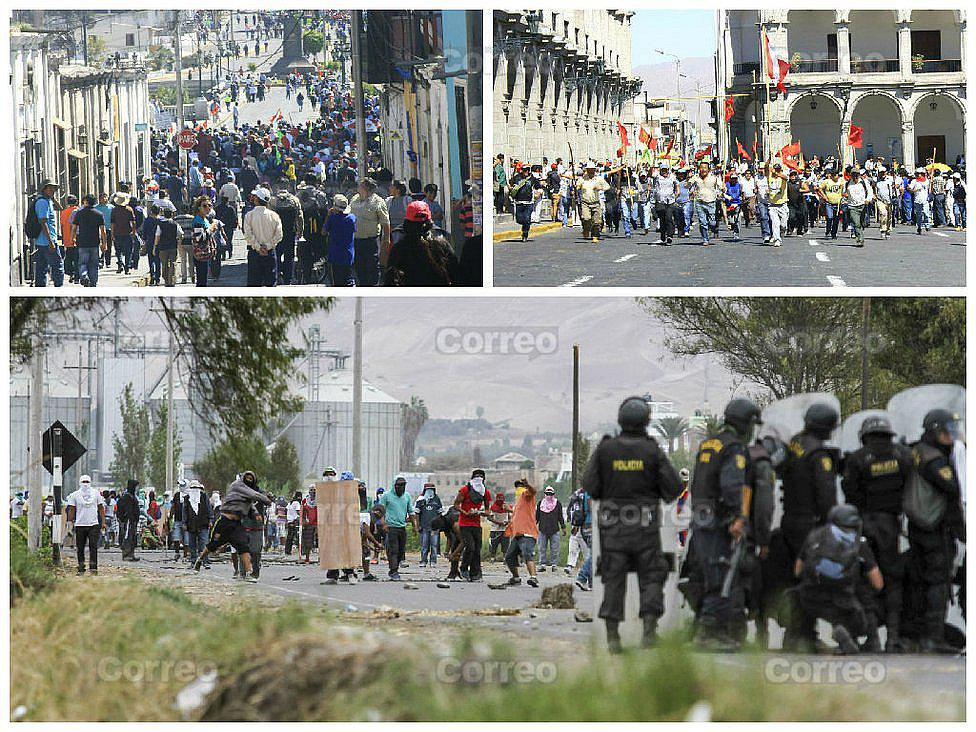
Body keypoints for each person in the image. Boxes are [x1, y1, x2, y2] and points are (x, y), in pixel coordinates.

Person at [583, 396, 683, 652]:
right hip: (645, 528)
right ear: (646, 421)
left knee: (612, 578)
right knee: (652, 576)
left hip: (612, 528)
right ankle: (649, 633)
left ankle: (613, 638)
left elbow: (590, 487)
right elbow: (673, 489)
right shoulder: (652, 451)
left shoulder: (606, 450)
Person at [688, 397, 763, 651]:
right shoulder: (734, 448)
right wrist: (737, 517)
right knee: (721, 575)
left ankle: (711, 631)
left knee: (710, 573)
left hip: (701, 517)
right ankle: (709, 634)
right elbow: (732, 485)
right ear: (745, 424)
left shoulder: (710, 443)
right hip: (719, 521)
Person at [778, 402, 840, 650]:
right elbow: (826, 496)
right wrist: (832, 524)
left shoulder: (795, 444)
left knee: (794, 577)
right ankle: (803, 636)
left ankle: (794, 634)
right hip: (810, 525)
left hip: (790, 520)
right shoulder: (819, 456)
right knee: (810, 579)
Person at [907, 409, 966, 653]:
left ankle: (921, 634)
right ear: (935, 431)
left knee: (923, 580)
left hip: (917, 526)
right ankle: (933, 637)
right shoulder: (937, 460)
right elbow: (953, 490)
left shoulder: (917, 450)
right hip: (936, 529)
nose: (952, 437)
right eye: (947, 432)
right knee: (938, 581)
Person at [790, 504, 884, 654]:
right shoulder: (859, 543)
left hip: (811, 600)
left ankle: (802, 638)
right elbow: (878, 583)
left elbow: (797, 570)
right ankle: (862, 638)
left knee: (796, 593)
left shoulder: (814, 536)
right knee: (865, 593)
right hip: (844, 603)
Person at [193, 471, 271, 581]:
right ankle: (199, 560)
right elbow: (254, 495)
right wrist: (266, 499)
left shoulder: (248, 495)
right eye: (247, 478)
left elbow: (250, 505)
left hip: (237, 524)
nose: (249, 480)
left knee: (244, 547)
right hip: (225, 521)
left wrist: (256, 514)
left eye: (251, 479)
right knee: (213, 545)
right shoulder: (237, 485)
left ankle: (249, 573)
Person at [383, 201, 459, 287]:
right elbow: (456, 275)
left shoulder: (399, 248)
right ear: (430, 222)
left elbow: (390, 280)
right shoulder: (442, 244)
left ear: (407, 223)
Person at [349, 178, 391, 287]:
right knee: (359, 266)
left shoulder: (377, 202)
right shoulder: (354, 199)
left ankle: (373, 288)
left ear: (366, 188)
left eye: (361, 186)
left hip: (370, 240)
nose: (358, 187)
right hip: (356, 239)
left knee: (371, 266)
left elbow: (385, 222)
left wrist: (386, 240)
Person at [64, 475, 106, 576]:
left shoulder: (96, 493)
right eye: (84, 481)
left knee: (93, 546)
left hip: (93, 524)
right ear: (80, 482)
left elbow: (101, 508)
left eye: (87, 481)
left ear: (90, 482)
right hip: (80, 524)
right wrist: (69, 523)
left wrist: (103, 522)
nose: (85, 484)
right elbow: (72, 509)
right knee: (80, 547)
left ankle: (93, 568)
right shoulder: (75, 495)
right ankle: (81, 568)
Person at [455, 469, 492, 582]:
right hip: (465, 523)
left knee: (477, 549)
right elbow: (456, 504)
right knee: (470, 547)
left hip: (476, 523)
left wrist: (483, 512)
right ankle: (464, 568)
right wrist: (465, 512)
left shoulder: (485, 492)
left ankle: (475, 573)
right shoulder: (465, 490)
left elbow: (487, 509)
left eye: (481, 477)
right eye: (477, 477)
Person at [379, 476, 417, 581]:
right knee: (393, 550)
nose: (401, 487)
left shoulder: (407, 496)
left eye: (403, 485)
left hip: (402, 527)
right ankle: (393, 571)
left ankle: (395, 568)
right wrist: (384, 524)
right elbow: (380, 511)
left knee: (401, 551)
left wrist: (414, 525)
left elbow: (411, 511)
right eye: (399, 485)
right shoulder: (386, 496)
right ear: (394, 485)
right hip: (391, 527)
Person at [504, 479, 540, 587]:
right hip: (517, 534)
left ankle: (533, 577)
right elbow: (518, 514)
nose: (518, 490)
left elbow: (533, 491)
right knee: (509, 557)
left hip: (527, 533)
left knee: (527, 554)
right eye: (517, 488)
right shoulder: (519, 502)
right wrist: (509, 511)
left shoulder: (526, 495)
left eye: (520, 487)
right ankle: (516, 578)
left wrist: (527, 485)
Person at [243, 187, 283, 286]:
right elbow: (279, 235)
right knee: (271, 283)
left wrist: (258, 247)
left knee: (254, 284)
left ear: (257, 199)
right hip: (269, 253)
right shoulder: (274, 216)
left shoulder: (249, 215)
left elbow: (248, 234)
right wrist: (268, 246)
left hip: (254, 253)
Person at [31, 179, 64, 287]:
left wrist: (53, 198)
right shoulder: (42, 202)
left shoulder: (48, 201)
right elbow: (43, 223)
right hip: (46, 241)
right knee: (58, 266)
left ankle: (41, 288)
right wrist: (51, 242)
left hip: (44, 242)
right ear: (44, 189)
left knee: (42, 268)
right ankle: (59, 288)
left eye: (53, 188)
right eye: (49, 188)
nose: (52, 190)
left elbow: (60, 208)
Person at [71, 194, 109, 286]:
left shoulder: (79, 213)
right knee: (94, 264)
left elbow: (74, 228)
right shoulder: (98, 214)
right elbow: (103, 231)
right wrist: (104, 243)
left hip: (82, 242)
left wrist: (73, 238)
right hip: (94, 243)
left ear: (86, 202)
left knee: (82, 263)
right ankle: (93, 282)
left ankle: (84, 276)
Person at [324, 194, 357, 286]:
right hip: (348, 254)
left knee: (337, 282)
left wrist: (328, 216)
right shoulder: (352, 218)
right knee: (348, 279)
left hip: (335, 254)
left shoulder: (333, 219)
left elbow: (324, 232)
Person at [535, 486, 565, 572]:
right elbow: (537, 517)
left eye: (550, 494)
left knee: (555, 548)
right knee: (542, 548)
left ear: (554, 494)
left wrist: (563, 528)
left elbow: (560, 516)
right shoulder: (540, 503)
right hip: (542, 529)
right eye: (547, 494)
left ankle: (554, 565)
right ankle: (542, 565)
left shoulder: (557, 504)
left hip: (554, 529)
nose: (549, 496)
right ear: (544, 494)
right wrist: (533, 527)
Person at [183, 480, 212, 568]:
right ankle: (193, 561)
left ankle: (205, 561)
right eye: (193, 488)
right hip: (191, 524)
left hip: (203, 523)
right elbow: (184, 512)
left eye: (196, 488)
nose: (195, 490)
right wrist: (184, 523)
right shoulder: (187, 498)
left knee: (204, 543)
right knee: (192, 544)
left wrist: (210, 520)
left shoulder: (204, 497)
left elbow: (208, 508)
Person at [565, 486, 592, 578]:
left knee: (575, 546)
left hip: (577, 524)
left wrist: (572, 521)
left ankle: (572, 566)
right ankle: (583, 571)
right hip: (584, 525)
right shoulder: (586, 493)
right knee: (586, 550)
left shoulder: (577, 493)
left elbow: (570, 508)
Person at [415, 483, 443, 567]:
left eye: (431, 489)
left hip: (434, 528)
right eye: (428, 489)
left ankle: (433, 561)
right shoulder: (420, 500)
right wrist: (418, 525)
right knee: (424, 545)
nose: (430, 491)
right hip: (424, 526)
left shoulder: (437, 499)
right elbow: (417, 513)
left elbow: (440, 513)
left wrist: (439, 525)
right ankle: (423, 561)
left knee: (434, 545)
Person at [116, 479, 141, 561]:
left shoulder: (132, 496)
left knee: (133, 537)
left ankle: (131, 554)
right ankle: (126, 554)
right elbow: (128, 510)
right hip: (128, 521)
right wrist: (130, 519)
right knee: (127, 537)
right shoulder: (127, 497)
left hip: (133, 521)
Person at [486, 491, 512, 562]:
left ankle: (505, 559)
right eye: (499, 498)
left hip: (505, 530)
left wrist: (508, 522)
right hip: (495, 529)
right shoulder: (493, 507)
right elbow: (489, 518)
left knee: (505, 545)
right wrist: (499, 523)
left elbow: (510, 516)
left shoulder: (506, 507)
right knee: (493, 545)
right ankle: (492, 558)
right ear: (496, 498)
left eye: (502, 498)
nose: (501, 500)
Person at [300, 485, 317, 564]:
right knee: (308, 542)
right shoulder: (305, 501)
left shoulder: (320, 500)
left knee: (320, 542)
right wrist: (303, 521)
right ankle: (307, 558)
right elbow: (302, 512)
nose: (313, 492)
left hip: (318, 524)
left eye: (314, 490)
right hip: (308, 524)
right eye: (311, 490)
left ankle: (321, 559)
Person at [284, 490, 301, 555]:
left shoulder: (290, 503)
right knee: (297, 536)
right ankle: (300, 550)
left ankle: (287, 550)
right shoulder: (297, 503)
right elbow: (298, 512)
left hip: (289, 521)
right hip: (294, 521)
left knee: (289, 537)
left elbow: (286, 511)